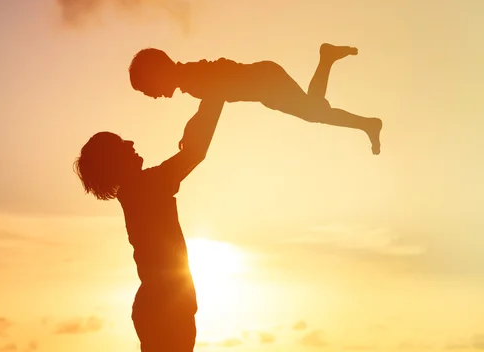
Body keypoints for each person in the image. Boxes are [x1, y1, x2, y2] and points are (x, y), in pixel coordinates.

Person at [73, 97, 225, 352]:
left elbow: (190, 152)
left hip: (160, 306)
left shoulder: (137, 190)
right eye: (121, 145)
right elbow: (195, 153)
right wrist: (216, 97)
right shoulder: (144, 187)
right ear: (114, 161)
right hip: (166, 308)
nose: (131, 143)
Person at [128, 43, 383, 154]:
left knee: (314, 112)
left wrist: (192, 130)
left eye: (146, 89)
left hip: (266, 81)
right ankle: (367, 123)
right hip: (265, 84)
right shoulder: (188, 77)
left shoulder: (191, 77)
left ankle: (367, 122)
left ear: (156, 74)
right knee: (315, 110)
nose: (151, 96)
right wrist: (192, 128)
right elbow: (210, 99)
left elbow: (212, 99)